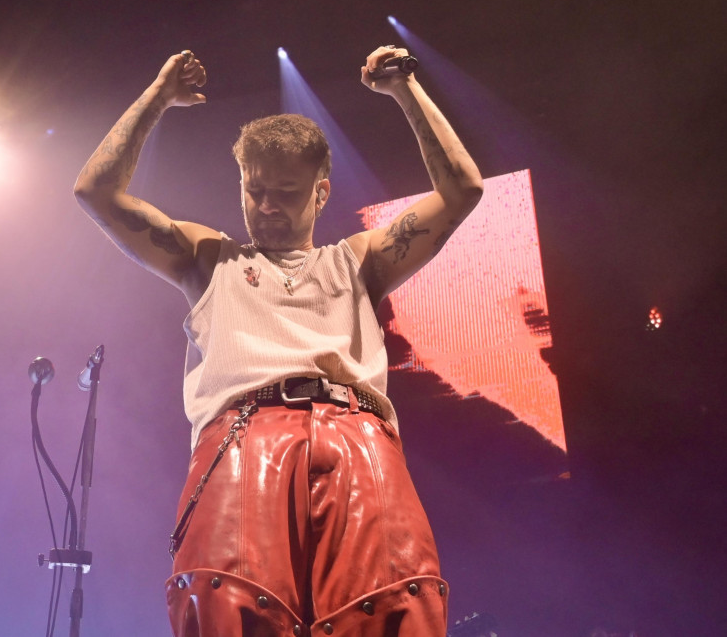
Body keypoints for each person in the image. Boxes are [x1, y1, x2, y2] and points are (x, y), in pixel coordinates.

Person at [74, 45, 483, 637]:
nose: (265, 206)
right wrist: (158, 97)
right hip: (244, 437)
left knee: (394, 604)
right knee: (229, 601)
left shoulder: (358, 261)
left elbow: (462, 191)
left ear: (320, 193)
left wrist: (405, 93)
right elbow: (95, 193)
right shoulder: (206, 257)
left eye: (286, 192)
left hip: (358, 436)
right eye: (253, 188)